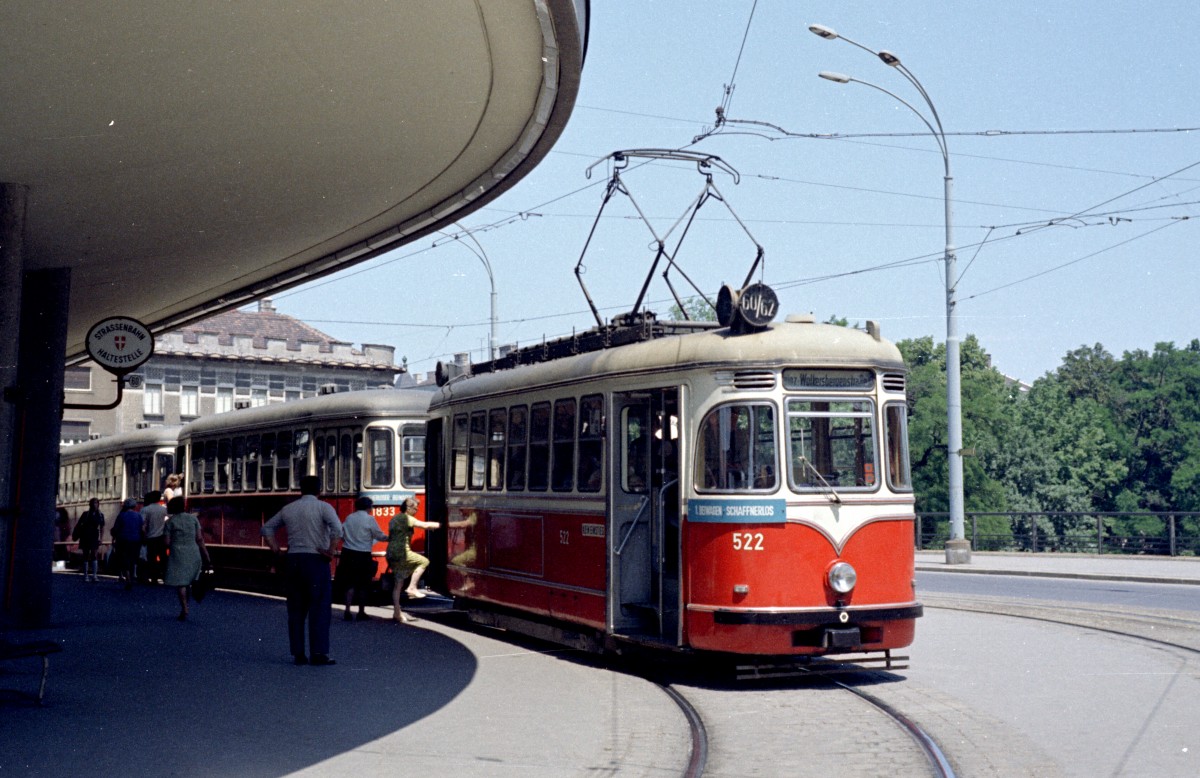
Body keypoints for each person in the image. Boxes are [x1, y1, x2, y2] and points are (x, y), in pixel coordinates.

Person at [261, 475, 343, 666]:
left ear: (301, 490)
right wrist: (330, 551)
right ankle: (319, 653)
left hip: (293, 560)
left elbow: (266, 529)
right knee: (319, 607)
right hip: (316, 560)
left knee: (296, 609)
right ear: (319, 490)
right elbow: (337, 529)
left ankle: (298, 653)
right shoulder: (324, 507)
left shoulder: (289, 509)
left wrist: (277, 551)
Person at [386, 496, 441, 624]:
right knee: (424, 561)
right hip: (402, 551)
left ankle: (397, 613)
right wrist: (443, 525)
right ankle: (412, 587)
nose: (416, 511)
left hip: (391, 552)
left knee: (398, 583)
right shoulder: (407, 518)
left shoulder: (394, 518)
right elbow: (425, 525)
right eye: (415, 509)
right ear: (409, 508)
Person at [334, 496, 387, 622]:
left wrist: (348, 541)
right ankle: (361, 612)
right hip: (363, 554)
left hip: (348, 554)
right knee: (363, 585)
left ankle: (347, 611)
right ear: (368, 507)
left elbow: (341, 533)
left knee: (349, 584)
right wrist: (389, 538)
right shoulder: (370, 519)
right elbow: (379, 535)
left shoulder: (349, 517)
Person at [163, 497, 210, 621]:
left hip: (177, 553)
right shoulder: (193, 519)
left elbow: (166, 542)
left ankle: (184, 608)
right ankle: (189, 601)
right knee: (191, 579)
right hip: (193, 551)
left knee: (181, 583)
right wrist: (206, 555)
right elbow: (199, 538)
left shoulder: (170, 522)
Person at [111, 497, 144, 590]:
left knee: (124, 560)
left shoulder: (121, 515)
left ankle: (128, 579)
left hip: (123, 540)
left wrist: (113, 537)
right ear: (134, 506)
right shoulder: (138, 516)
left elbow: (116, 529)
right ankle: (132, 577)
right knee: (132, 560)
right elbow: (142, 528)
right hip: (136, 540)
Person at [71, 498, 105, 581]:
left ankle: (94, 575)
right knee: (85, 555)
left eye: (96, 503)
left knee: (94, 555)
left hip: (94, 536)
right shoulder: (85, 514)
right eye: (94, 503)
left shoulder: (100, 515)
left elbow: (102, 527)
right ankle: (86, 575)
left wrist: (101, 538)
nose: (95, 505)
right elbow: (79, 525)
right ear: (90, 505)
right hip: (85, 536)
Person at [140, 491, 168, 584]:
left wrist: (143, 536)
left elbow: (142, 525)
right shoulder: (163, 510)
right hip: (161, 537)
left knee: (151, 558)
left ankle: (153, 578)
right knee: (163, 558)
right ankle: (165, 577)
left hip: (150, 537)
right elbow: (168, 520)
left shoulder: (145, 510)